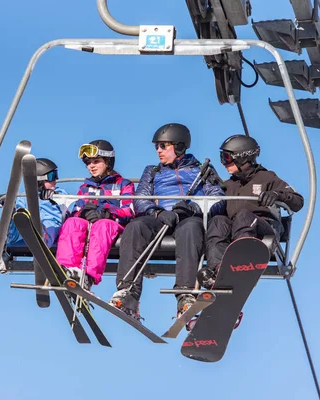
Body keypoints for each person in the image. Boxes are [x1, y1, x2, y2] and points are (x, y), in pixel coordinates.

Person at [109, 123, 225, 320]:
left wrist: (193, 208)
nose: (158, 151)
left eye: (164, 146)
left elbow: (218, 198)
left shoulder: (201, 170)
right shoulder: (152, 171)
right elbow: (141, 199)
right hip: (162, 218)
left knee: (190, 229)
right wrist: (157, 212)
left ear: (179, 146)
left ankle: (185, 294)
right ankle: (128, 292)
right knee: (136, 227)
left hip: (189, 217)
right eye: (157, 146)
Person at [198, 134, 304, 288]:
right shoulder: (228, 185)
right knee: (218, 221)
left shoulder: (267, 177)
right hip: (236, 229)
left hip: (264, 227)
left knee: (244, 216)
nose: (223, 163)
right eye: (222, 158)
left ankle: (240, 262)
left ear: (243, 157)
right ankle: (218, 269)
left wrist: (276, 195)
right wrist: (208, 187)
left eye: (227, 158)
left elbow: (297, 201)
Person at [55, 140, 135, 291]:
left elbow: (128, 210)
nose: (91, 166)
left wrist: (107, 212)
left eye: (96, 161)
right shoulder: (85, 187)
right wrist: (84, 212)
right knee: (72, 223)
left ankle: (89, 276)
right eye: (88, 162)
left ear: (108, 162)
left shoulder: (123, 184)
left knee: (102, 225)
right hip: (89, 224)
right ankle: (67, 269)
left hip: (112, 224)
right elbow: (77, 210)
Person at [0, 157, 67, 248]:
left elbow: (66, 208)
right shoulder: (25, 197)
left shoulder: (59, 193)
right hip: (27, 229)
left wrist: (54, 197)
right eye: (52, 176)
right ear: (40, 180)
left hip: (50, 227)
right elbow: (20, 210)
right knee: (17, 218)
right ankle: (6, 232)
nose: (55, 180)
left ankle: (42, 235)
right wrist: (7, 201)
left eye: (56, 175)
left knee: (49, 225)